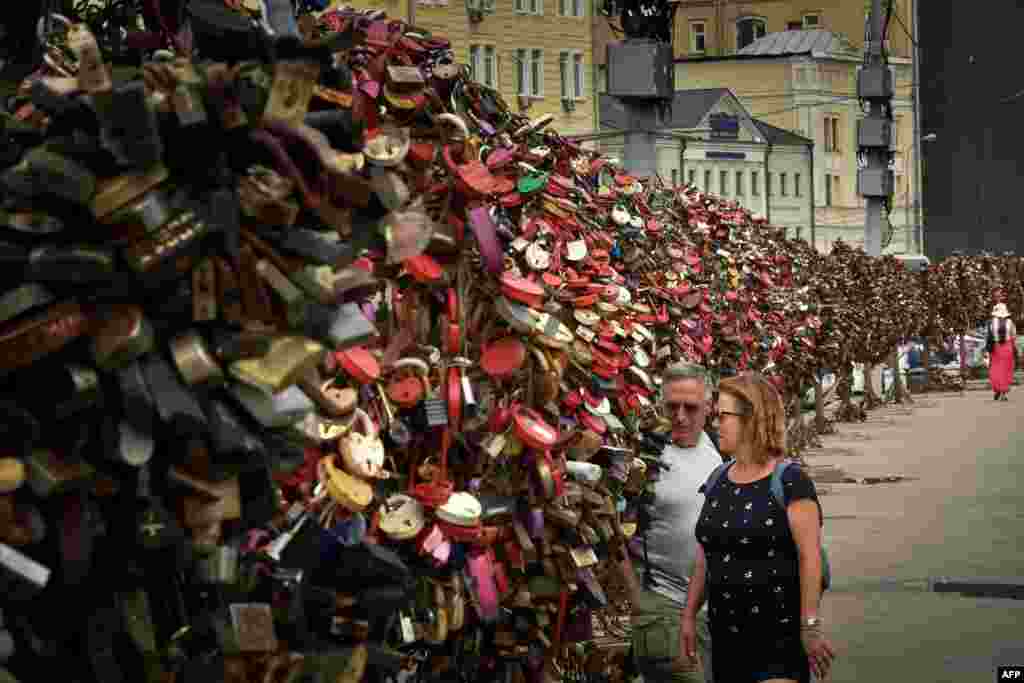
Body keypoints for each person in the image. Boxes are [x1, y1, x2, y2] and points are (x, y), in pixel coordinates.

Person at [681, 372, 836, 683]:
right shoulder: (718, 480)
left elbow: (810, 559)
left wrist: (810, 627)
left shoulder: (790, 481)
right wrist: (688, 616)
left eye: (722, 416)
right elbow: (706, 551)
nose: (715, 424)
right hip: (724, 645)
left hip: (777, 644)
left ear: (752, 419)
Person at [616, 363, 722, 682]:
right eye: (671, 406)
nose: (679, 416)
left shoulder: (715, 448)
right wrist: (639, 601)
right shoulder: (644, 458)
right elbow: (611, 528)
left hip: (714, 613)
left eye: (690, 407)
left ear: (709, 406)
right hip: (666, 613)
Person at [988, 303, 1017, 401]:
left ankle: (997, 389)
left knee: (996, 369)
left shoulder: (991, 323)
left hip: (996, 348)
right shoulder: (1010, 323)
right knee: (1006, 370)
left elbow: (988, 337)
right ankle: (1003, 393)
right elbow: (1013, 336)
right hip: (1007, 348)